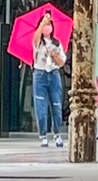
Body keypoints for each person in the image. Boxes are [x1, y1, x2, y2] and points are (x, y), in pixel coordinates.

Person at [28, 14, 68, 147]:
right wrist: (42, 22)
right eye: (45, 25)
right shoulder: (38, 42)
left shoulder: (57, 43)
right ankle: (43, 135)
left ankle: (57, 134)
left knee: (56, 105)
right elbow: (35, 37)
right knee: (41, 106)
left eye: (49, 24)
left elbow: (61, 62)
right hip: (40, 74)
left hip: (54, 74)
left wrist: (54, 55)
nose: (47, 27)